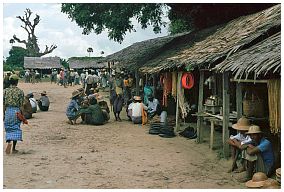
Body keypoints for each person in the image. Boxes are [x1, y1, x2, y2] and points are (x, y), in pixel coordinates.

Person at [3, 74, 25, 154]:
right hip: (16, 112)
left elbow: (3, 104)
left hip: (8, 111)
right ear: (17, 82)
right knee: (15, 128)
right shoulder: (20, 92)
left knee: (8, 128)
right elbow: (21, 105)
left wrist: (3, 114)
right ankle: (14, 148)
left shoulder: (5, 91)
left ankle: (9, 142)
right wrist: (23, 116)